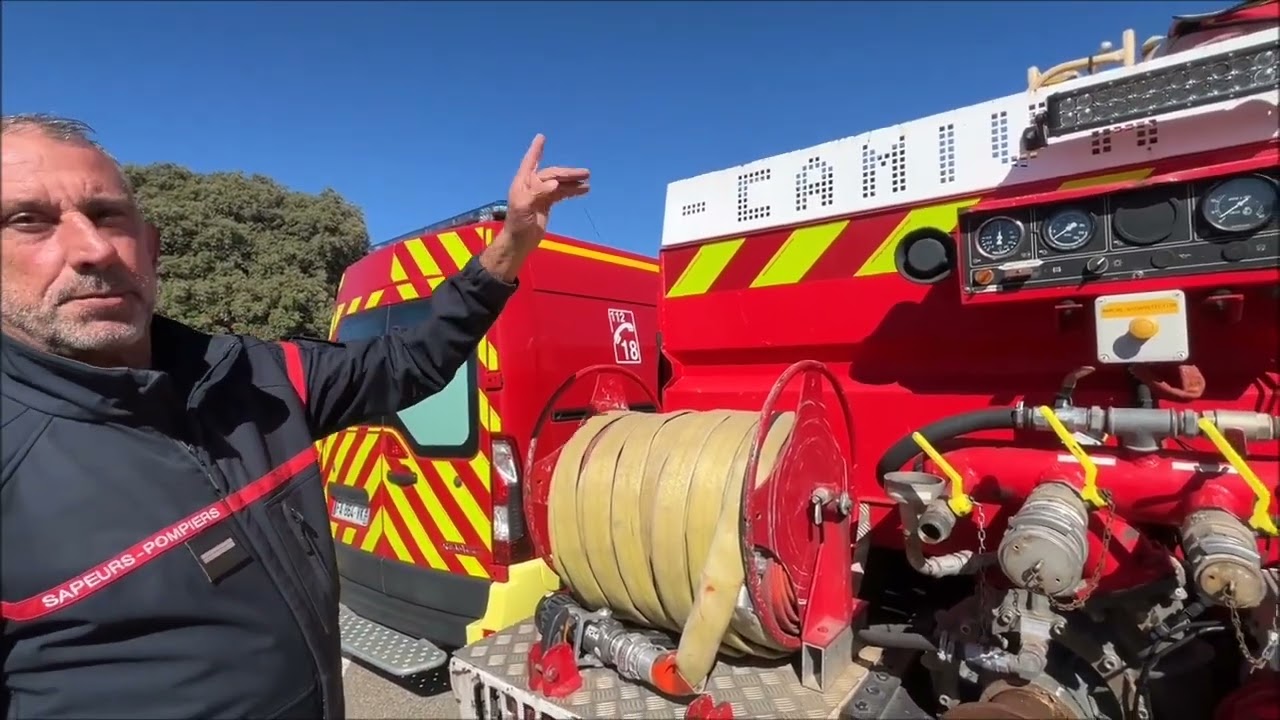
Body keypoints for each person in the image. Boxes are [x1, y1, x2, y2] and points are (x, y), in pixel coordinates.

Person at [0, 113, 590, 719]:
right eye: (29, 221)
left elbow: (412, 359)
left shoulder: (256, 376)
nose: (93, 249)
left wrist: (516, 237)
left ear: (150, 246)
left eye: (106, 214)